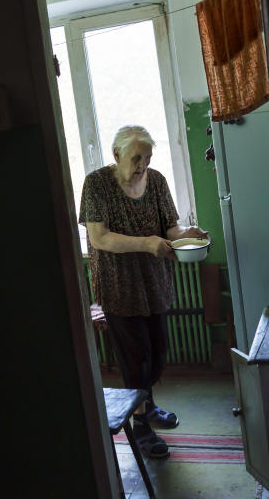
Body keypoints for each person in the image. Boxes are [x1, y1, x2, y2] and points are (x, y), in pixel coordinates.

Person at [79, 125, 208, 459]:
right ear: (116, 154)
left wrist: (185, 234)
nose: (143, 164)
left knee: (158, 354)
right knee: (135, 358)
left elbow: (170, 228)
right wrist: (147, 244)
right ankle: (140, 427)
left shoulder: (158, 181)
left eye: (148, 157)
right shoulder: (97, 184)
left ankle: (147, 406)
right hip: (119, 286)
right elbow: (99, 238)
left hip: (155, 282)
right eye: (136, 157)